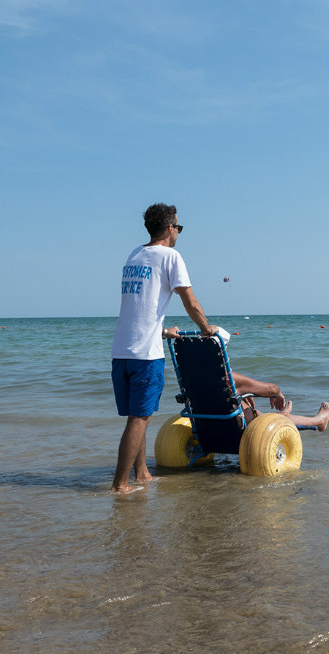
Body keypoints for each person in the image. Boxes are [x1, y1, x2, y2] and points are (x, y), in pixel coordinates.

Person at [110, 203, 218, 494]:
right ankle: (120, 485)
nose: (179, 233)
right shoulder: (171, 256)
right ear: (170, 228)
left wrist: (163, 330)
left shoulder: (134, 256)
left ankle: (142, 474)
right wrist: (207, 329)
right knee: (140, 417)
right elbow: (190, 302)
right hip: (146, 355)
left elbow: (138, 310)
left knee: (137, 415)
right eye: (179, 228)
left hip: (121, 351)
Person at [162, 326, 329, 431]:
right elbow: (270, 389)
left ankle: (280, 415)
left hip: (207, 428)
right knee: (277, 421)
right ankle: (319, 421)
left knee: (247, 404)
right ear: (221, 351)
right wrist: (277, 393)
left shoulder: (188, 375)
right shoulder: (228, 379)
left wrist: (245, 393)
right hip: (236, 430)